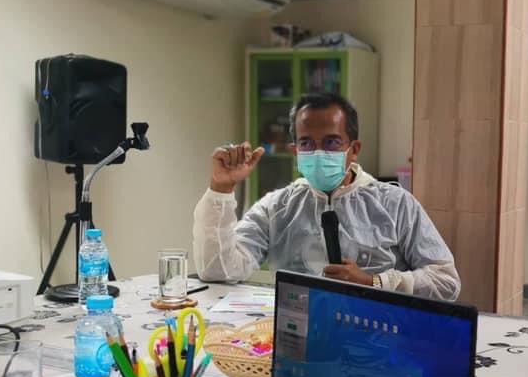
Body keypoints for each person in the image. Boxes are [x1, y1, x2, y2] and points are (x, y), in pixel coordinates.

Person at [193, 93, 461, 301]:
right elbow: (219, 271)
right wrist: (221, 188)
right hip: (297, 331)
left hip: (375, 333)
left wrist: (375, 282)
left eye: (332, 142)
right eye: (307, 143)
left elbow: (446, 282)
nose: (319, 152)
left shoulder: (395, 204)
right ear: (296, 151)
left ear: (354, 149)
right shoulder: (277, 207)